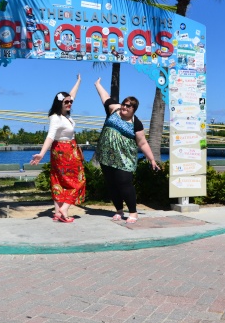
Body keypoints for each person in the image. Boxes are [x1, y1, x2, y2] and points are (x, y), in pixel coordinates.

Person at [94, 78, 161, 224]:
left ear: (133, 109)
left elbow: (142, 143)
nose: (125, 107)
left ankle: (133, 212)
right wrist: (98, 85)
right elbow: (105, 98)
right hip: (106, 156)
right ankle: (119, 210)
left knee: (124, 184)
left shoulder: (136, 123)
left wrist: (152, 159)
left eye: (128, 106)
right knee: (111, 184)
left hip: (124, 158)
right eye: (124, 104)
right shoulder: (114, 110)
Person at [30, 74, 85, 223]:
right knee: (78, 181)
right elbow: (50, 136)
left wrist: (78, 81)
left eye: (70, 102)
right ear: (59, 103)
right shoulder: (56, 118)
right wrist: (41, 154)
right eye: (66, 102)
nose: (69, 103)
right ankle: (64, 209)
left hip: (62, 150)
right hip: (65, 151)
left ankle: (57, 213)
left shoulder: (64, 114)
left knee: (58, 181)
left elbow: (71, 95)